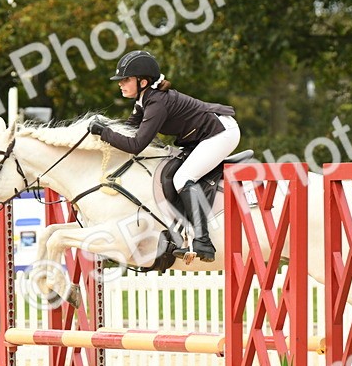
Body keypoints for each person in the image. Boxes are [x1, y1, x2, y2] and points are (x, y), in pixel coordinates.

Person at [88, 50, 240, 262]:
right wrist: (103, 132)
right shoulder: (144, 101)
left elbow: (136, 144)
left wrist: (103, 132)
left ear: (143, 81)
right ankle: (180, 232)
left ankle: (203, 242)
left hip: (221, 133)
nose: (120, 84)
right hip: (202, 136)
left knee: (182, 178)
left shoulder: (157, 102)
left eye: (126, 79)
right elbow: (129, 131)